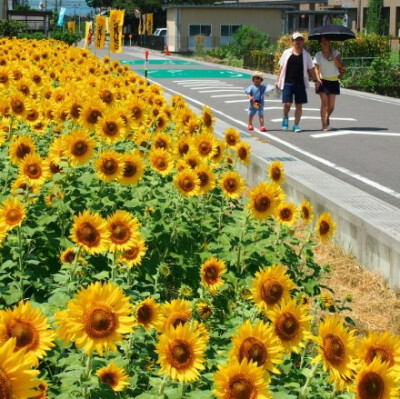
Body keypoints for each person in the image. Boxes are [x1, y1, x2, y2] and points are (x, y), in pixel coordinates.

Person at [275, 32, 320, 133]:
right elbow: (281, 67)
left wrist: (316, 80)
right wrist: (277, 80)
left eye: (300, 40)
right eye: (296, 40)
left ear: (302, 42)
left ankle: (296, 125)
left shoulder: (306, 55)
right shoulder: (286, 53)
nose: (298, 42)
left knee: (299, 105)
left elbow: (311, 69)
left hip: (300, 83)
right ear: (292, 42)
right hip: (288, 82)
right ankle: (285, 117)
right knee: (287, 103)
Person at [313, 36, 346, 131]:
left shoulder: (336, 52)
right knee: (325, 103)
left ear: (329, 41)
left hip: (334, 81)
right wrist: (317, 79)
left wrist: (334, 58)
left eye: (326, 40)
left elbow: (340, 65)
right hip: (323, 81)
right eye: (322, 41)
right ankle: (324, 124)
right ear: (320, 43)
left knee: (331, 106)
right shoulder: (318, 55)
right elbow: (316, 68)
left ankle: (327, 116)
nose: (324, 42)